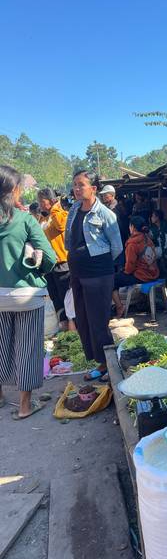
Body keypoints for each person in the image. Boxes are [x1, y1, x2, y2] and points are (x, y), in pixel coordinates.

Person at [0, 165, 57, 418]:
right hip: (25, 295)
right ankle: (24, 406)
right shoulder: (24, 219)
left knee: (1, 346)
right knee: (28, 348)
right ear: (13, 189)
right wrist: (37, 263)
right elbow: (50, 258)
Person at [66, 170, 123, 381]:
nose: (77, 188)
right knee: (83, 319)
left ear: (94, 188)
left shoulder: (105, 214)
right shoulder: (73, 209)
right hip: (77, 272)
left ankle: (108, 364)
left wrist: (100, 264)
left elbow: (116, 246)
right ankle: (98, 360)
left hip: (98, 274)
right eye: (75, 185)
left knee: (98, 320)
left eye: (81, 184)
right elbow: (69, 236)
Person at [112, 216, 160, 317]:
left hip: (142, 276)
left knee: (111, 280)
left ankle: (120, 307)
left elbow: (129, 267)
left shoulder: (132, 244)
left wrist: (123, 273)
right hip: (153, 273)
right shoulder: (148, 239)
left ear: (132, 227)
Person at [37, 187, 71, 330]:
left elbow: (61, 226)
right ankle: (62, 325)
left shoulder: (62, 214)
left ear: (51, 200)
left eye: (41, 201)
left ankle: (72, 326)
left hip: (62, 263)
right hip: (49, 264)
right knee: (55, 296)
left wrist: (56, 207)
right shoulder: (43, 218)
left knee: (66, 297)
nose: (39, 204)